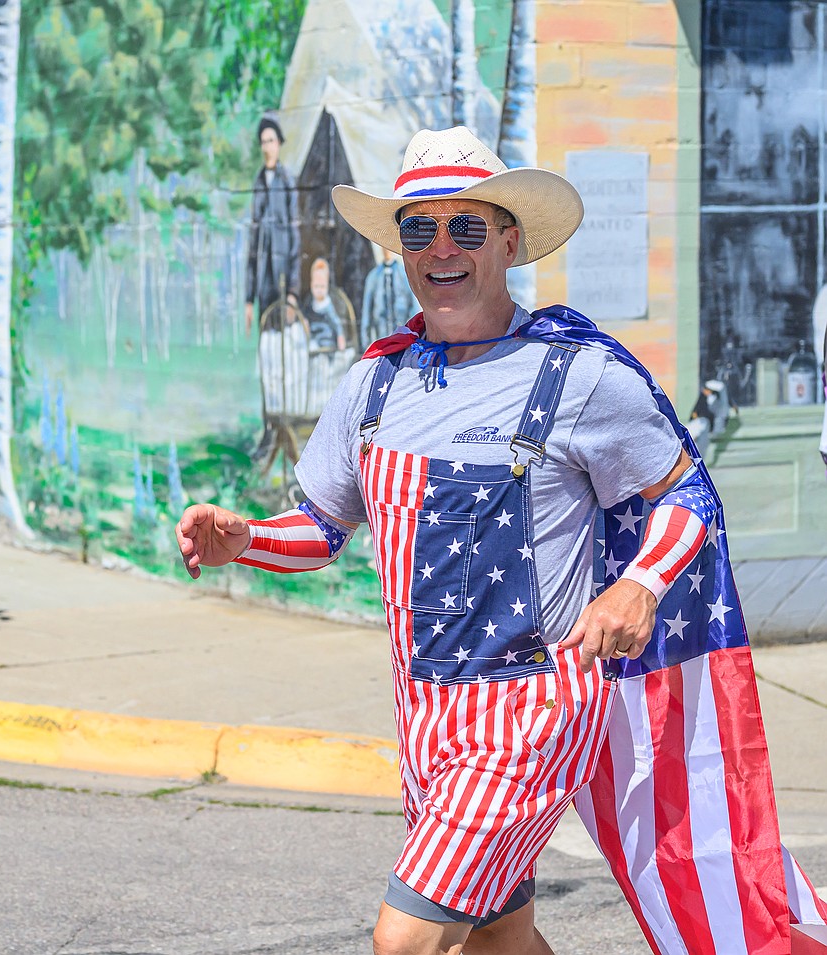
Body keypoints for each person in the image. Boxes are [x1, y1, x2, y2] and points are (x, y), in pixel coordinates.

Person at [175, 126, 801, 954]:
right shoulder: (373, 383)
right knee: (499, 938)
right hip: (425, 716)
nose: (441, 248)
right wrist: (246, 538)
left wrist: (640, 585)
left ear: (508, 241)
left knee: (405, 939)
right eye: (419, 228)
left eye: (465, 226)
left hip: (533, 712)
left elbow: (685, 490)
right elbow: (322, 527)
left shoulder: (577, 374)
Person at [244, 115, 300, 337]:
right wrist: (249, 299)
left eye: (271, 141)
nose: (267, 147)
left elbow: (295, 236)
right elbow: (253, 244)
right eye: (263, 142)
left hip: (282, 276)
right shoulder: (258, 183)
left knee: (284, 339)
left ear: (278, 144)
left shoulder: (287, 180)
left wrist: (293, 291)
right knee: (265, 338)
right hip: (263, 279)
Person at [360, 247, 418, 348]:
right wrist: (366, 341)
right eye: (383, 248)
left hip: (403, 334)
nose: (387, 251)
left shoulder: (404, 273)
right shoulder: (373, 276)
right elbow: (367, 310)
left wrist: (416, 332)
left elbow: (413, 303)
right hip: (382, 336)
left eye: (388, 248)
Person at [300, 257, 346, 351]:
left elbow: (336, 323)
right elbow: (304, 314)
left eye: (322, 287)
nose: (319, 290)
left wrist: (340, 336)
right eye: (316, 286)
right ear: (311, 285)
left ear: (327, 286)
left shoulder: (327, 305)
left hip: (326, 337)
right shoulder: (310, 301)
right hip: (313, 335)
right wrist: (304, 321)